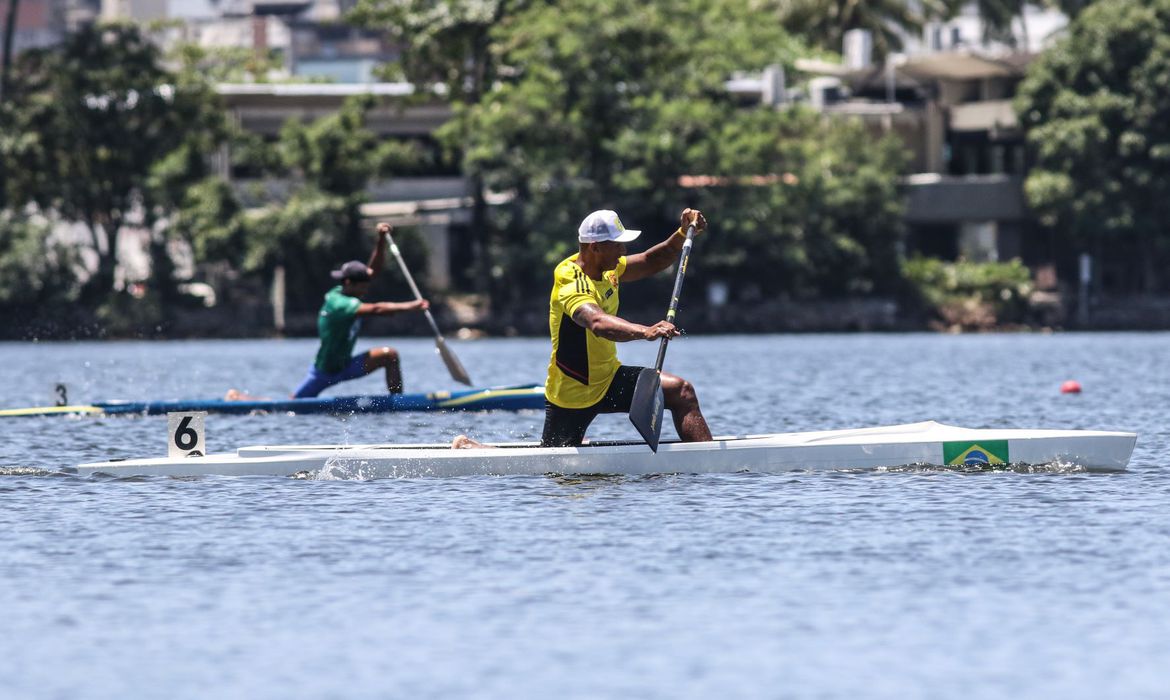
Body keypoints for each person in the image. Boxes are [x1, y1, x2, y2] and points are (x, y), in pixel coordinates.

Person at [454, 208, 713, 448]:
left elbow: (650, 260)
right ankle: (472, 448)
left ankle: (709, 461)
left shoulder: (608, 269)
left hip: (610, 378)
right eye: (617, 244)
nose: (623, 250)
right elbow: (598, 323)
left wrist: (681, 234)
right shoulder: (570, 280)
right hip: (573, 392)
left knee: (681, 391)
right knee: (552, 464)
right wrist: (645, 332)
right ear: (595, 247)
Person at [291, 222, 430, 398]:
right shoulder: (337, 302)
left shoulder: (351, 291)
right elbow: (377, 309)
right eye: (363, 286)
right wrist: (412, 306)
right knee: (294, 403)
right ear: (349, 283)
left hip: (347, 365)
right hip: (325, 371)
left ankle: (398, 402)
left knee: (390, 355)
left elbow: (374, 271)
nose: (366, 289)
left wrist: (380, 240)